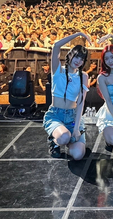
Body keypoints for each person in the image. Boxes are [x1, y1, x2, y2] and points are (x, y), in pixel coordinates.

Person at [43, 31, 91, 160]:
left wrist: (76, 128)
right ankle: (55, 141)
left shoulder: (83, 76)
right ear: (70, 55)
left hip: (73, 116)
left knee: (78, 155)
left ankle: (70, 136)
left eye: (82, 59)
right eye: (76, 56)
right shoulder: (57, 70)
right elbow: (56, 46)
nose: (78, 61)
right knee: (64, 137)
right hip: (56, 115)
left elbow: (81, 102)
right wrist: (79, 34)